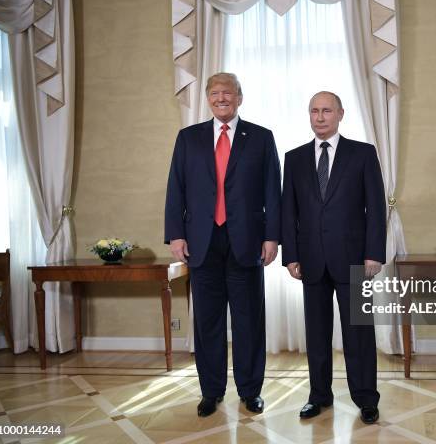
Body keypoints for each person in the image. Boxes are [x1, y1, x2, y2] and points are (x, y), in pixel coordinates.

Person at [165, 72, 281, 417]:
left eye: (227, 93)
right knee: (207, 322)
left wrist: (272, 237)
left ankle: (250, 391)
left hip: (246, 242)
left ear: (239, 97)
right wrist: (176, 233)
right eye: (214, 93)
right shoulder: (188, 138)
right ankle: (211, 391)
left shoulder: (260, 138)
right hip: (201, 242)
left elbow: (272, 192)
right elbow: (176, 188)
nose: (221, 99)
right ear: (207, 99)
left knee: (248, 321)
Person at [281, 91, 386, 424]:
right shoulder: (294, 158)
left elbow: (376, 209)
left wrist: (374, 253)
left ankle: (366, 398)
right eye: (314, 111)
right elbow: (288, 212)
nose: (320, 117)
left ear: (341, 114)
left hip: (355, 259)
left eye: (327, 110)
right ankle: (319, 396)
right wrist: (291, 255)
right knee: (316, 332)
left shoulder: (363, 154)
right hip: (311, 259)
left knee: (359, 330)